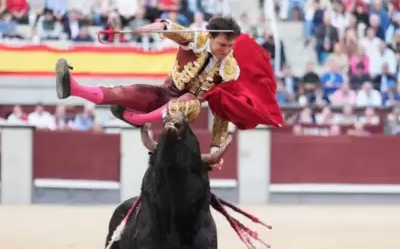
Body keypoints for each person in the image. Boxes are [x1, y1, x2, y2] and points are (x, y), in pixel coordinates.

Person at [55, 16, 283, 166]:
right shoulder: (197, 39)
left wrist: (215, 146)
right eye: (222, 45)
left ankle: (135, 118)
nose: (226, 50)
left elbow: (221, 108)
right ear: (211, 36)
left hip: (185, 111)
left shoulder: (230, 69)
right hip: (164, 93)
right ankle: (74, 88)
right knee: (127, 92)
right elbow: (168, 29)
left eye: (230, 46)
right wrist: (153, 28)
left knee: (189, 100)